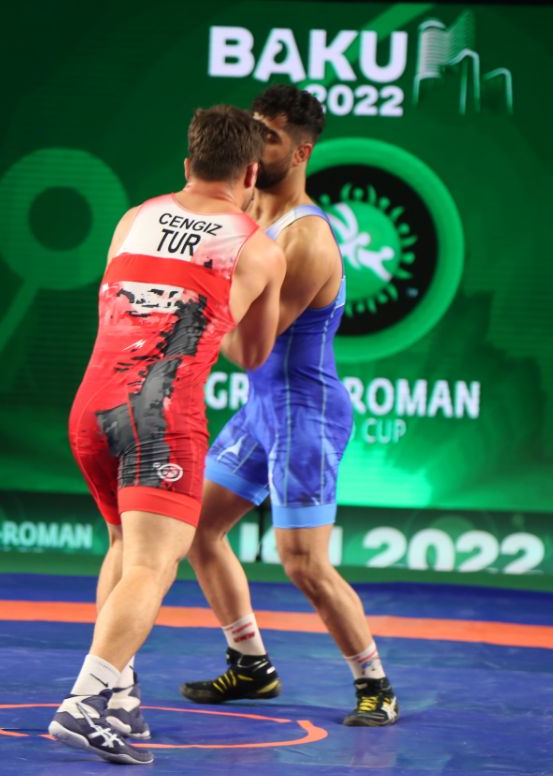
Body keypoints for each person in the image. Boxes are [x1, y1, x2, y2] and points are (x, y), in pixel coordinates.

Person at [50, 105, 286, 765]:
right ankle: (82, 703)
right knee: (154, 566)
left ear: (188, 164)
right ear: (250, 174)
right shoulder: (258, 247)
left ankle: (120, 696)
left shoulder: (134, 218)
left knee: (125, 547)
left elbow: (119, 305)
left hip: (90, 407)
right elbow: (253, 354)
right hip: (160, 416)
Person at [179, 84, 398, 727]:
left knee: (304, 563)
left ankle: (376, 685)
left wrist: (192, 308)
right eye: (252, 129)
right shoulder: (247, 210)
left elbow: (252, 344)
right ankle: (251, 664)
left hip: (306, 414)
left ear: (301, 152)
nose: (255, 143)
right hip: (264, 408)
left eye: (269, 136)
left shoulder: (305, 239)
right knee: (197, 530)